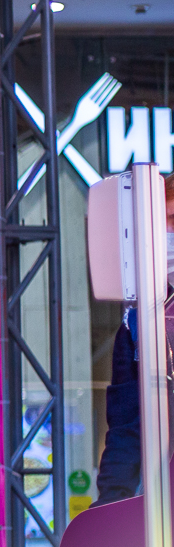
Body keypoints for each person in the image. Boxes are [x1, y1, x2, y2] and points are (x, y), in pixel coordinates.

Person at [95, 173, 174, 506]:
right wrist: (109, 509)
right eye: (166, 222)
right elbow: (126, 431)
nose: (168, 233)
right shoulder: (138, 322)